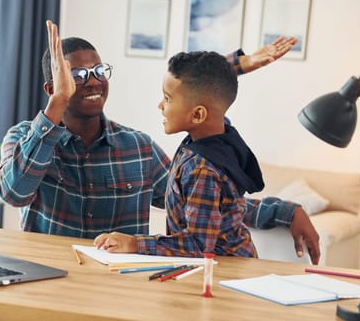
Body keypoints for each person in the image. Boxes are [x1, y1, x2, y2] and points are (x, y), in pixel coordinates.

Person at [0, 20, 320, 263]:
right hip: (51, 280)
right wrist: (57, 106)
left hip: (120, 287)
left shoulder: (138, 148)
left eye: (99, 70)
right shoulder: (25, 138)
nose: (93, 80)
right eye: (77, 75)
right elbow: (13, 192)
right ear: (52, 88)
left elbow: (206, 203)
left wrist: (285, 212)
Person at [94, 51, 266, 257]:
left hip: (223, 273)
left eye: (167, 98)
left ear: (197, 114)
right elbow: (213, 83)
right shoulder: (220, 138)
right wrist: (238, 66)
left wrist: (134, 243)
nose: (160, 105)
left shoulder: (201, 170)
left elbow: (198, 246)